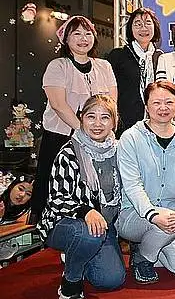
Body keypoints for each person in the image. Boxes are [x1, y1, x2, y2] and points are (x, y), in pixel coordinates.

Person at [36, 95, 126, 299]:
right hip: (66, 224)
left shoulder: (121, 151)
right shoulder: (68, 152)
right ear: (81, 119)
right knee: (88, 234)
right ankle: (71, 280)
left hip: (105, 226)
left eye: (105, 117)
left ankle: (77, 254)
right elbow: (57, 198)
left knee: (111, 279)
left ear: (114, 122)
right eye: (91, 116)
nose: (97, 123)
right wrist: (87, 211)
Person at [30, 16, 118, 225]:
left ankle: (99, 225)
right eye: (76, 34)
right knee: (57, 189)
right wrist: (85, 131)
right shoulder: (58, 66)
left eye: (88, 34)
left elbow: (111, 103)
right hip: (61, 138)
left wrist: (103, 130)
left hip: (99, 141)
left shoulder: (104, 66)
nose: (83, 39)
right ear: (66, 39)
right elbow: (59, 105)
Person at [117, 80, 175, 283]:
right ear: (146, 106)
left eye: (169, 102)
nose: (163, 108)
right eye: (156, 103)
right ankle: (143, 258)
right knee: (165, 222)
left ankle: (150, 246)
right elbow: (132, 185)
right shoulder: (130, 138)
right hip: (134, 214)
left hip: (173, 216)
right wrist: (152, 214)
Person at [106, 7, 164, 134]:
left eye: (148, 23)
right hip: (124, 124)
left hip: (155, 124)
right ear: (130, 29)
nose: (143, 28)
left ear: (155, 27)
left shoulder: (161, 57)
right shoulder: (118, 56)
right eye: (138, 24)